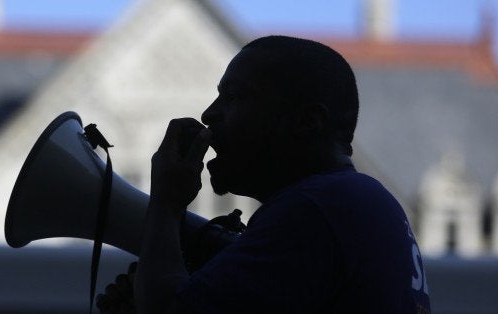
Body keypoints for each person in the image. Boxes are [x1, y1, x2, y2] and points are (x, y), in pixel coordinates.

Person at [132, 35, 431, 313]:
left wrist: (166, 203)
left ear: (308, 121)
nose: (209, 114)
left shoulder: (316, 208)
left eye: (233, 97)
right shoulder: (357, 201)